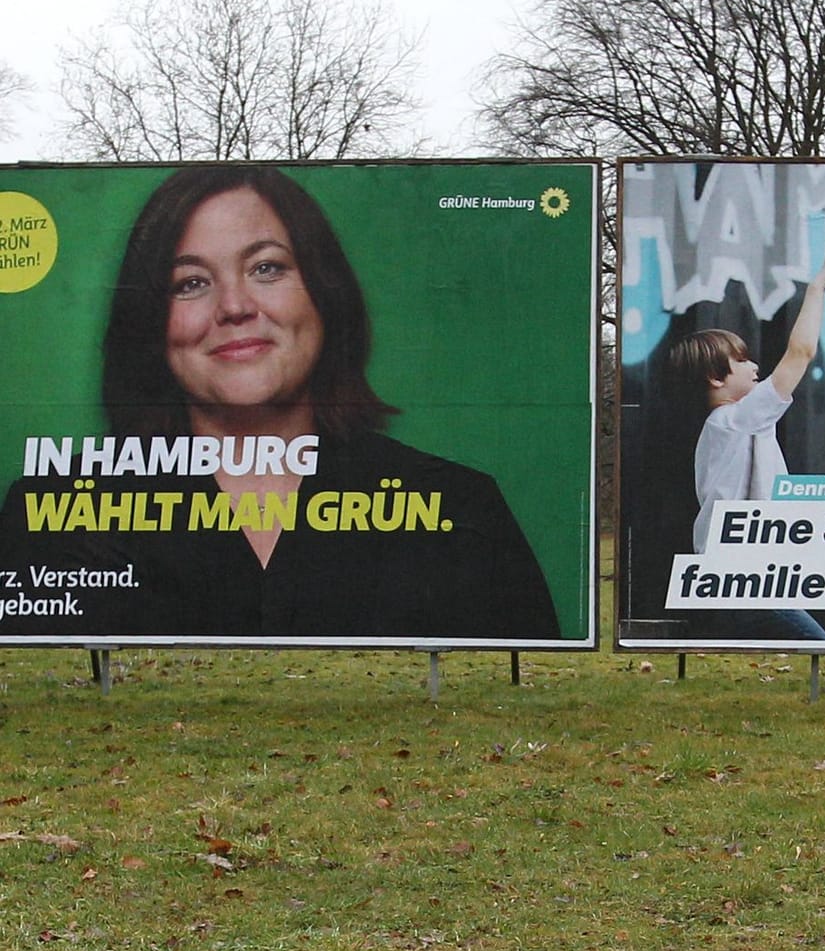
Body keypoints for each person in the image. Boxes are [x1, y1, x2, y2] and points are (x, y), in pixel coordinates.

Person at [0, 165, 559, 640]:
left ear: (324, 290)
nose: (235, 307)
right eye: (190, 282)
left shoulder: (461, 509)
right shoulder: (52, 513)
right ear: (150, 321)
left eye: (266, 267)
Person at [663, 239, 825, 642]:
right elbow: (801, 352)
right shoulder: (734, 422)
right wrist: (817, 289)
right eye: (741, 360)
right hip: (739, 571)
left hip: (743, 569)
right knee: (818, 646)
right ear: (714, 378)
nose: (754, 365)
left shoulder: (731, 425)